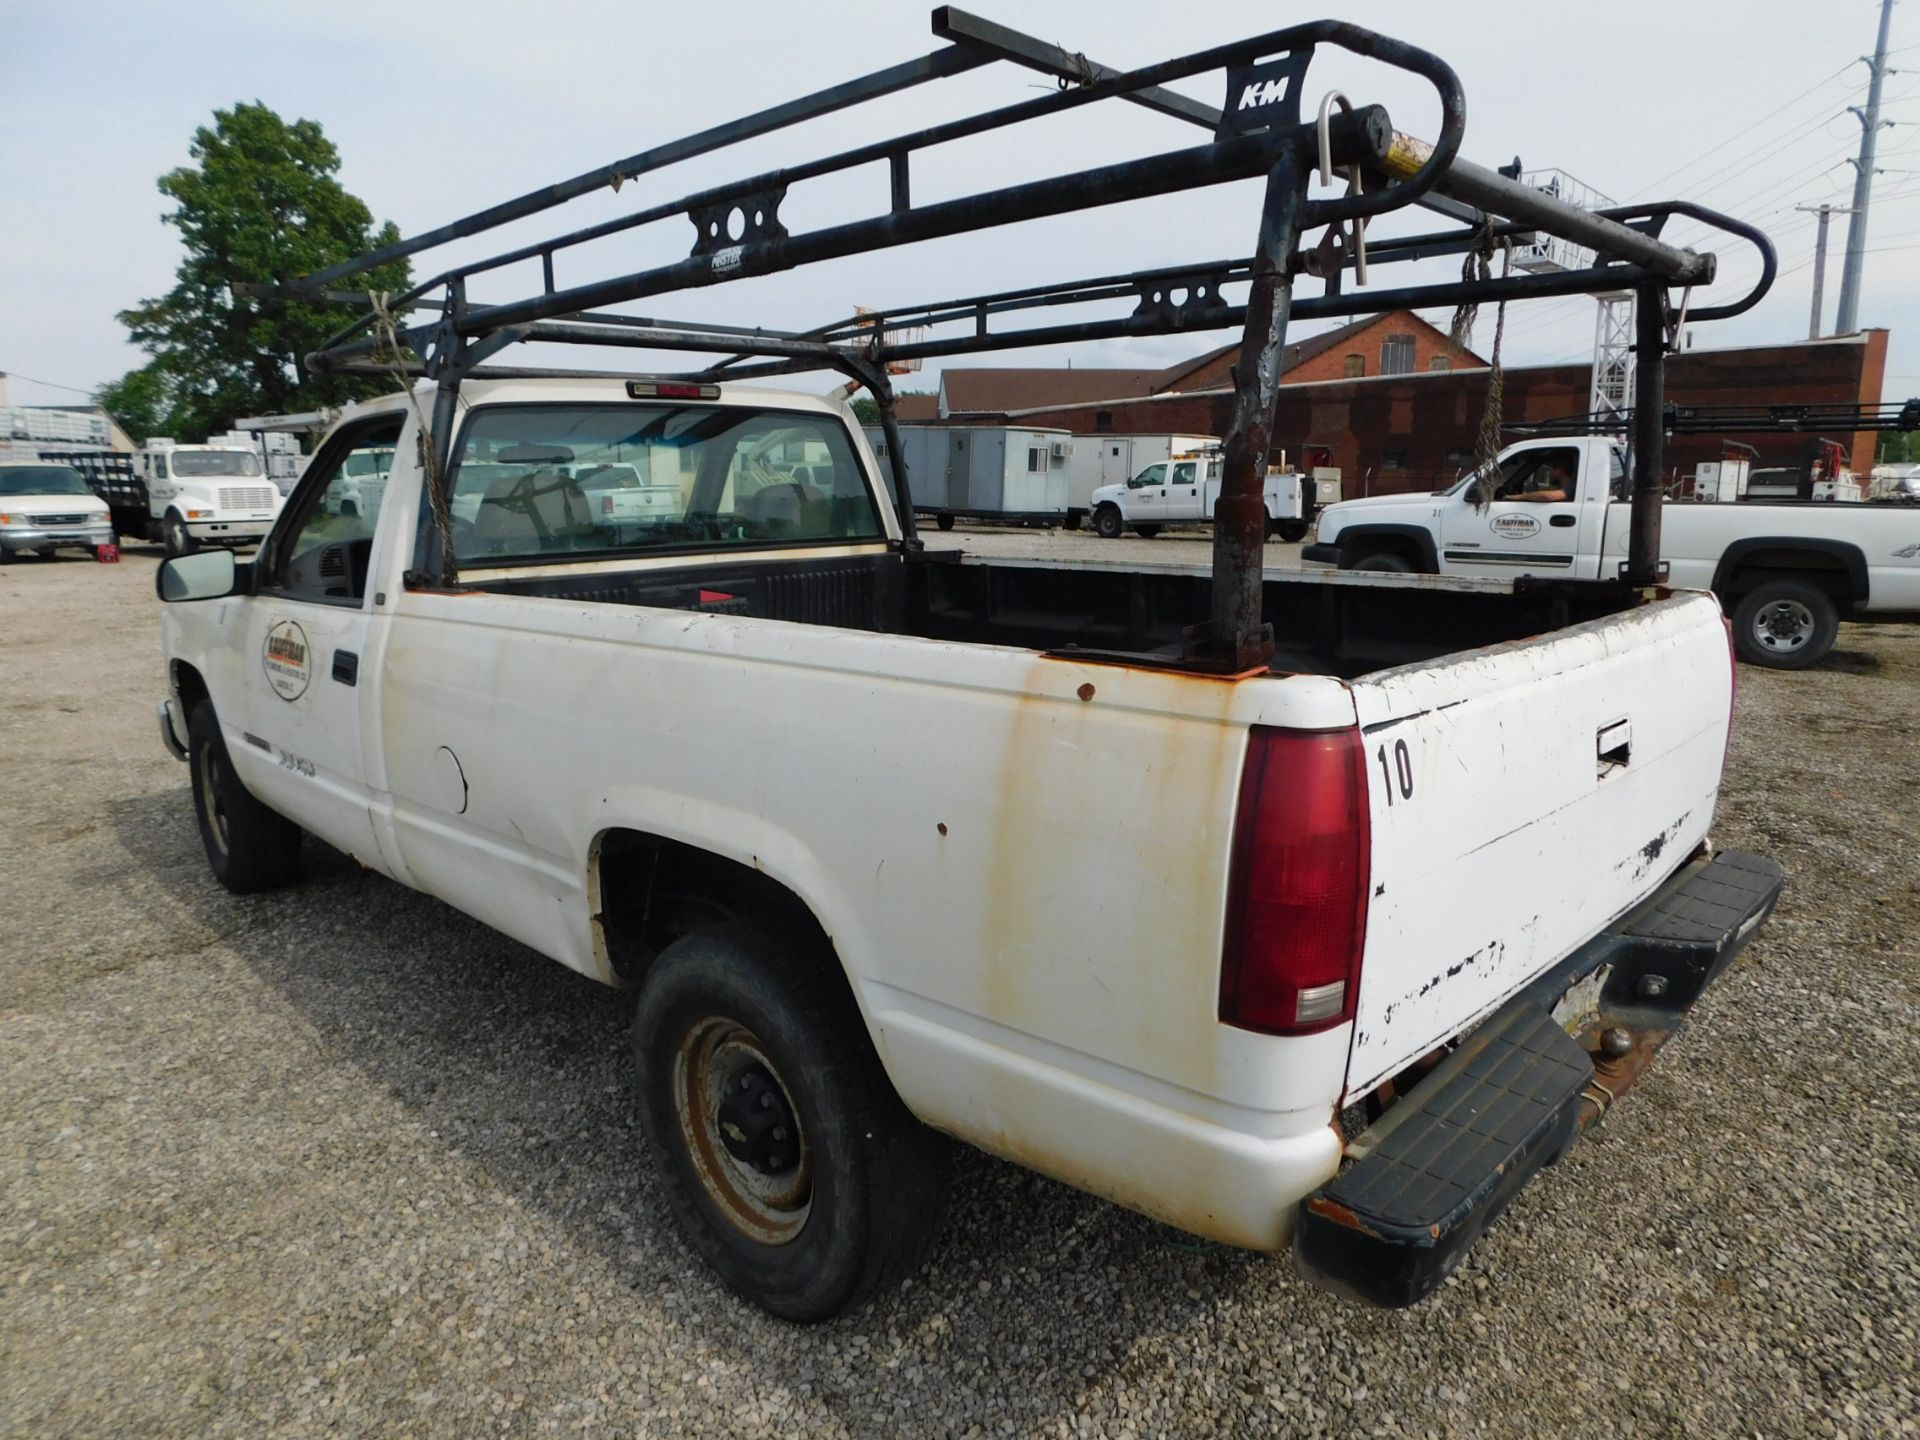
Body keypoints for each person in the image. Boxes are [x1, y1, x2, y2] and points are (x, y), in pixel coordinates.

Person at [1504, 457, 1573, 503]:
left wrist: (1517, 497)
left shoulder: (1571, 487)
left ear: (1558, 471)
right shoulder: (1563, 487)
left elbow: (1547, 496)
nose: (1550, 473)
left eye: (1551, 469)